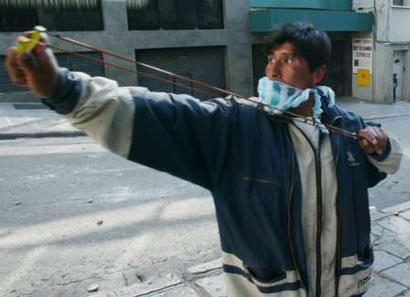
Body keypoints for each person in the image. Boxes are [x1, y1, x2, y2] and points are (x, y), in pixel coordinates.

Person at [5, 22, 402, 297]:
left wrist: (381, 147)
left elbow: (380, 167)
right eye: (271, 59)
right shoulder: (234, 126)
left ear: (317, 75)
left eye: (290, 60)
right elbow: (159, 114)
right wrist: (62, 89)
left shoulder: (345, 124)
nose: (274, 69)